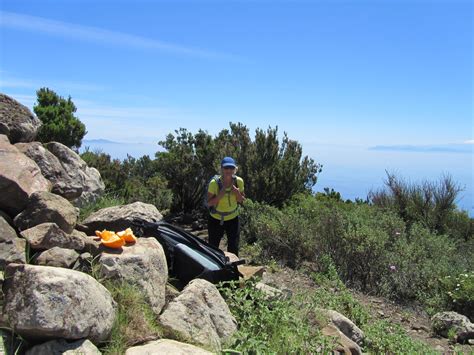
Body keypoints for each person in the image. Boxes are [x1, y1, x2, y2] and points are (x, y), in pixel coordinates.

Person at [207, 156, 245, 256]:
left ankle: (233, 270)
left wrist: (237, 193)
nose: (229, 170)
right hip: (215, 219)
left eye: (231, 168)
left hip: (233, 218)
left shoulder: (239, 181)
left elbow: (242, 200)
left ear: (235, 169)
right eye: (226, 168)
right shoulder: (214, 183)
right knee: (213, 247)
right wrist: (220, 194)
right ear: (222, 169)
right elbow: (209, 203)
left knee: (233, 246)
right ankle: (214, 269)